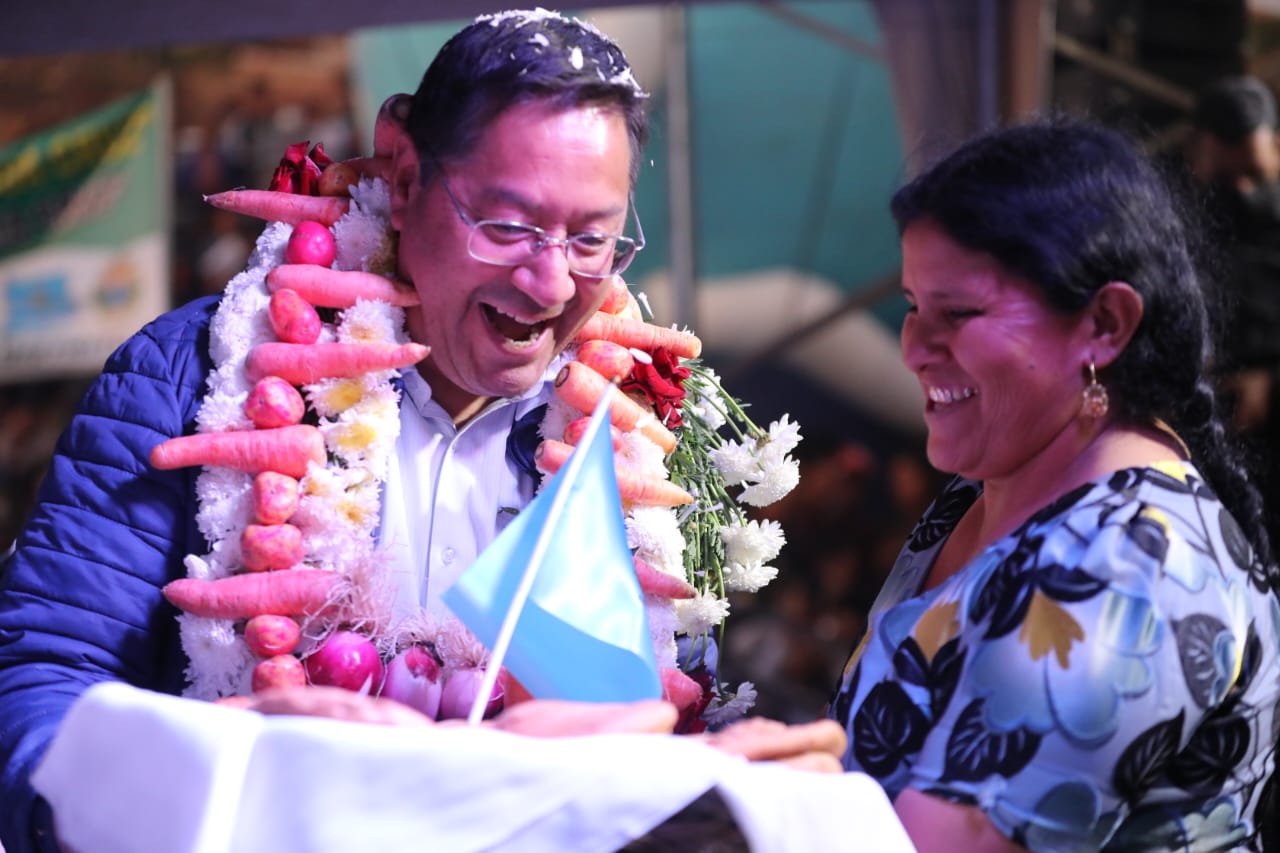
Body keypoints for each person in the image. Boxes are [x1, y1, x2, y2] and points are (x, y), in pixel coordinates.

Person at [0, 12, 835, 853]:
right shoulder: (192, 374)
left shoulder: (641, 438)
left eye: (591, 238)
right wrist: (225, 776)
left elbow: (659, 725)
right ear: (403, 176)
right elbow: (44, 684)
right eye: (507, 225)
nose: (550, 282)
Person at [827, 117, 1280, 851]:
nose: (913, 347)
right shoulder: (986, 488)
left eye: (958, 312)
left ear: (1104, 323)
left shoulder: (1128, 565)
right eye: (912, 305)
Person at [1182, 74, 1280, 550]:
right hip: (1204, 454)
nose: (1241, 191)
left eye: (1254, 175)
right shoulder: (1175, 233)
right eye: (1225, 179)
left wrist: (1271, 386)